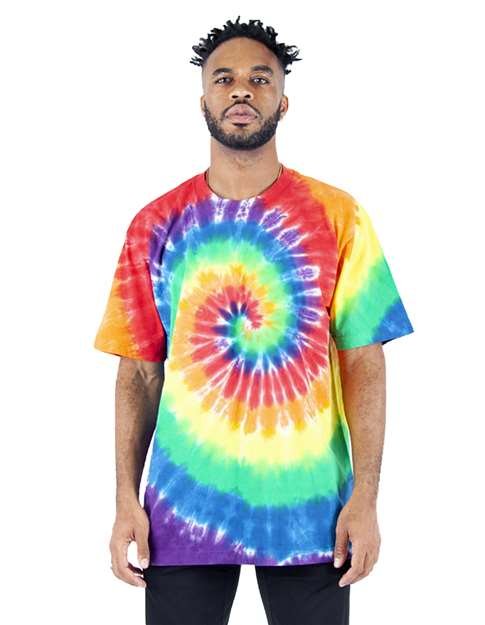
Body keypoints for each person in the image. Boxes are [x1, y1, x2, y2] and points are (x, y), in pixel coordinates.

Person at [93, 15, 414, 625]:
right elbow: (137, 373)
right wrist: (124, 499)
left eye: (260, 79)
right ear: (203, 100)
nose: (241, 90)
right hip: (183, 509)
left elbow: (364, 361)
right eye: (225, 79)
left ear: (283, 102)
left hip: (310, 508)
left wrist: (366, 499)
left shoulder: (338, 216)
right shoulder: (155, 224)